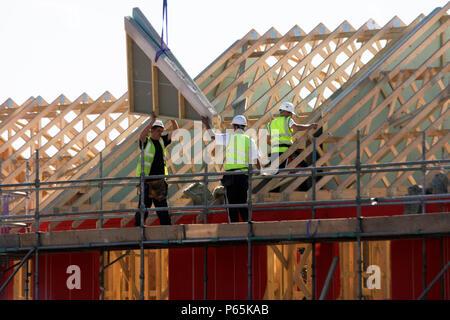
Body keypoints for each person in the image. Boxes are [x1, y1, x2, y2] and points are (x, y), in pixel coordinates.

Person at [202, 115, 261, 223]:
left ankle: (234, 229)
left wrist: (206, 124)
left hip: (231, 178)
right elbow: (255, 159)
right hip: (243, 177)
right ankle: (249, 228)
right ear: (244, 127)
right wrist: (260, 171)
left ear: (235, 127)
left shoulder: (229, 137)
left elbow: (213, 136)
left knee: (231, 205)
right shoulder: (249, 140)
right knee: (243, 203)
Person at [135, 112, 178, 226]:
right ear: (152, 130)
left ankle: (167, 229)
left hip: (159, 182)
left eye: (161, 130)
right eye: (158, 130)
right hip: (147, 181)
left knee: (163, 210)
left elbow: (176, 132)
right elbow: (141, 136)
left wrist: (172, 119)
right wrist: (151, 122)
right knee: (143, 209)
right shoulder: (146, 142)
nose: (160, 133)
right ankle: (137, 231)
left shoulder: (162, 141)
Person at [266, 101, 318, 170]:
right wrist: (310, 126)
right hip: (287, 150)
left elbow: (267, 140)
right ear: (286, 111)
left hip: (275, 152)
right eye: (290, 113)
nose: (291, 115)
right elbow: (297, 127)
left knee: (277, 173)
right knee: (304, 166)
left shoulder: (270, 124)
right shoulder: (288, 120)